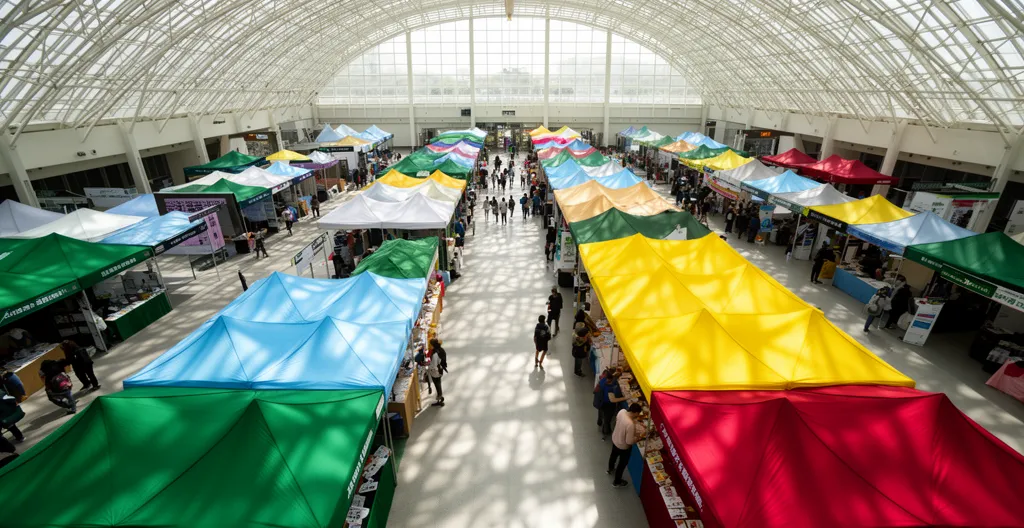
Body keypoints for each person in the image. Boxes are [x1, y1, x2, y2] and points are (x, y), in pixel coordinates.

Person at [608, 403, 644, 488]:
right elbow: (629, 441)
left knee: (613, 455)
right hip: (623, 446)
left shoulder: (622, 411)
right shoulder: (630, 424)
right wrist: (639, 437)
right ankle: (617, 481)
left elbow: (618, 421)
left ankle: (610, 469)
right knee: (622, 464)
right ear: (635, 413)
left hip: (615, 439)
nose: (638, 415)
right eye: (638, 413)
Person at [595, 369, 628, 439]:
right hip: (608, 405)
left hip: (600, 401)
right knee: (607, 419)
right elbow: (613, 400)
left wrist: (616, 373)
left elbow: (611, 376)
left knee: (600, 413)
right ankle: (606, 432)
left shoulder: (603, 380)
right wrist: (625, 398)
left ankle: (599, 421)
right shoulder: (609, 387)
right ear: (611, 379)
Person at [426, 338, 448, 407]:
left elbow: (433, 365)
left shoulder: (435, 354)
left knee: (437, 385)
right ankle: (440, 397)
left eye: (430, 344)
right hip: (440, 370)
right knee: (438, 384)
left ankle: (439, 398)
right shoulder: (441, 350)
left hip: (436, 372)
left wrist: (427, 367)